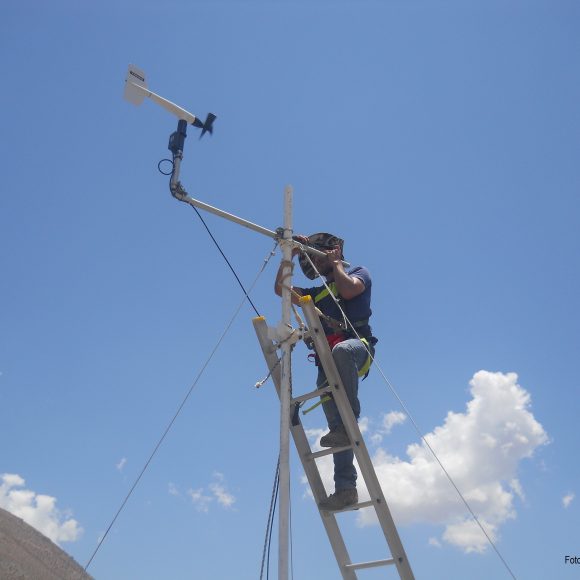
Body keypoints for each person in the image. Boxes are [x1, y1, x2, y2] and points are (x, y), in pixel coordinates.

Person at [274, 232, 376, 510]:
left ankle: (348, 422)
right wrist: (290, 255)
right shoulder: (317, 292)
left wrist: (338, 264)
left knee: (341, 352)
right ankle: (346, 488)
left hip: (357, 349)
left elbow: (349, 291)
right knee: (336, 429)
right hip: (326, 360)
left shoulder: (358, 272)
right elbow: (282, 290)